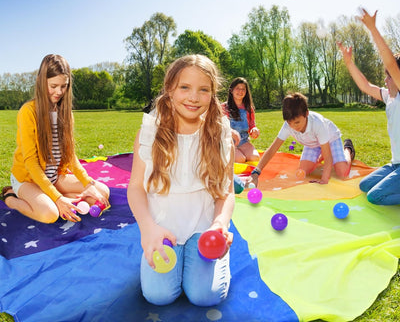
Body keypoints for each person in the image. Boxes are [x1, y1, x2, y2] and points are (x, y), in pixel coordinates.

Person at [127, 54, 235, 307]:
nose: (194, 97)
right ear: (169, 89)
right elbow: (135, 188)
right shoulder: (149, 133)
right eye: (184, 87)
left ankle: (214, 260)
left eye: (203, 90)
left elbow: (226, 192)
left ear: (213, 94)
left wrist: (220, 223)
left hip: (203, 228)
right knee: (158, 296)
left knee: (204, 297)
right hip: (162, 228)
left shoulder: (221, 134)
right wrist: (147, 228)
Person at [0, 54, 110, 223]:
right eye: (53, 86)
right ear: (41, 82)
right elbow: (31, 163)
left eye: (63, 86)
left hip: (55, 177)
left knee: (102, 192)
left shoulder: (66, 114)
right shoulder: (28, 112)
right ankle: (11, 198)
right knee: (49, 214)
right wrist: (58, 198)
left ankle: (54, 197)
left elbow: (71, 157)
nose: (59, 92)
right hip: (29, 179)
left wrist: (88, 185)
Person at [336, 8, 400, 205]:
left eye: (388, 75)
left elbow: (390, 63)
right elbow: (365, 85)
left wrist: (372, 29)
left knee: (375, 196)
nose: (385, 78)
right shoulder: (388, 97)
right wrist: (349, 63)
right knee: (365, 186)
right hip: (395, 164)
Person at [250, 92, 355, 186]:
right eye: (290, 123)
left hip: (330, 139)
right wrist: (256, 172)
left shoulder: (318, 124)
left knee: (342, 172)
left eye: (297, 122)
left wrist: (324, 179)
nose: (294, 127)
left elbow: (328, 157)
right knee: (304, 171)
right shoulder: (287, 125)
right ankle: (320, 154)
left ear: (306, 113)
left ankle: (348, 149)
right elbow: (273, 149)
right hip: (312, 144)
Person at [222, 77, 260, 163]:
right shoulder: (224, 107)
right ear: (231, 90)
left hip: (244, 141)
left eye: (243, 89)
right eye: (238, 88)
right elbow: (220, 127)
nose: (240, 91)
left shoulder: (248, 109)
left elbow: (251, 125)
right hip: (228, 142)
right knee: (240, 159)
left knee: (254, 158)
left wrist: (254, 130)